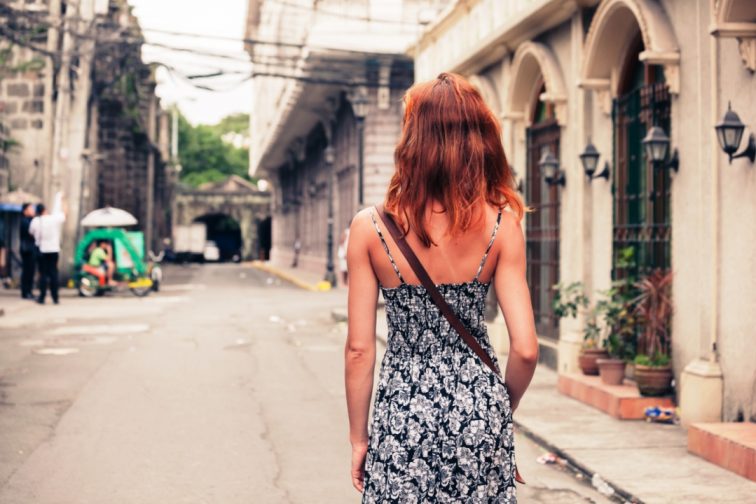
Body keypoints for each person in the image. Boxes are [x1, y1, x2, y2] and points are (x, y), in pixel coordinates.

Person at [344, 73, 539, 503]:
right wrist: (495, 416)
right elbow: (525, 349)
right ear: (480, 137)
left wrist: (361, 440)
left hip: (402, 413)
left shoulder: (370, 228)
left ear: (411, 139)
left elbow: (360, 349)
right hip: (480, 411)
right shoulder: (504, 225)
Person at [29, 192, 65, 305]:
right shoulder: (53, 218)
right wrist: (61, 199)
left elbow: (31, 232)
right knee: (53, 273)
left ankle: (42, 297)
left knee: (43, 274)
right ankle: (55, 297)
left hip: (42, 250)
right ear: (45, 210)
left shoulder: (35, 221)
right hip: (54, 249)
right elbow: (63, 215)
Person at [19, 202, 37, 300]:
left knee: (30, 271)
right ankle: (25, 292)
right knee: (27, 271)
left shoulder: (29, 220)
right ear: (25, 211)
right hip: (27, 249)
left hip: (30, 249)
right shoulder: (25, 221)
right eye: (31, 209)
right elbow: (32, 233)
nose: (33, 211)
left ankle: (28, 291)